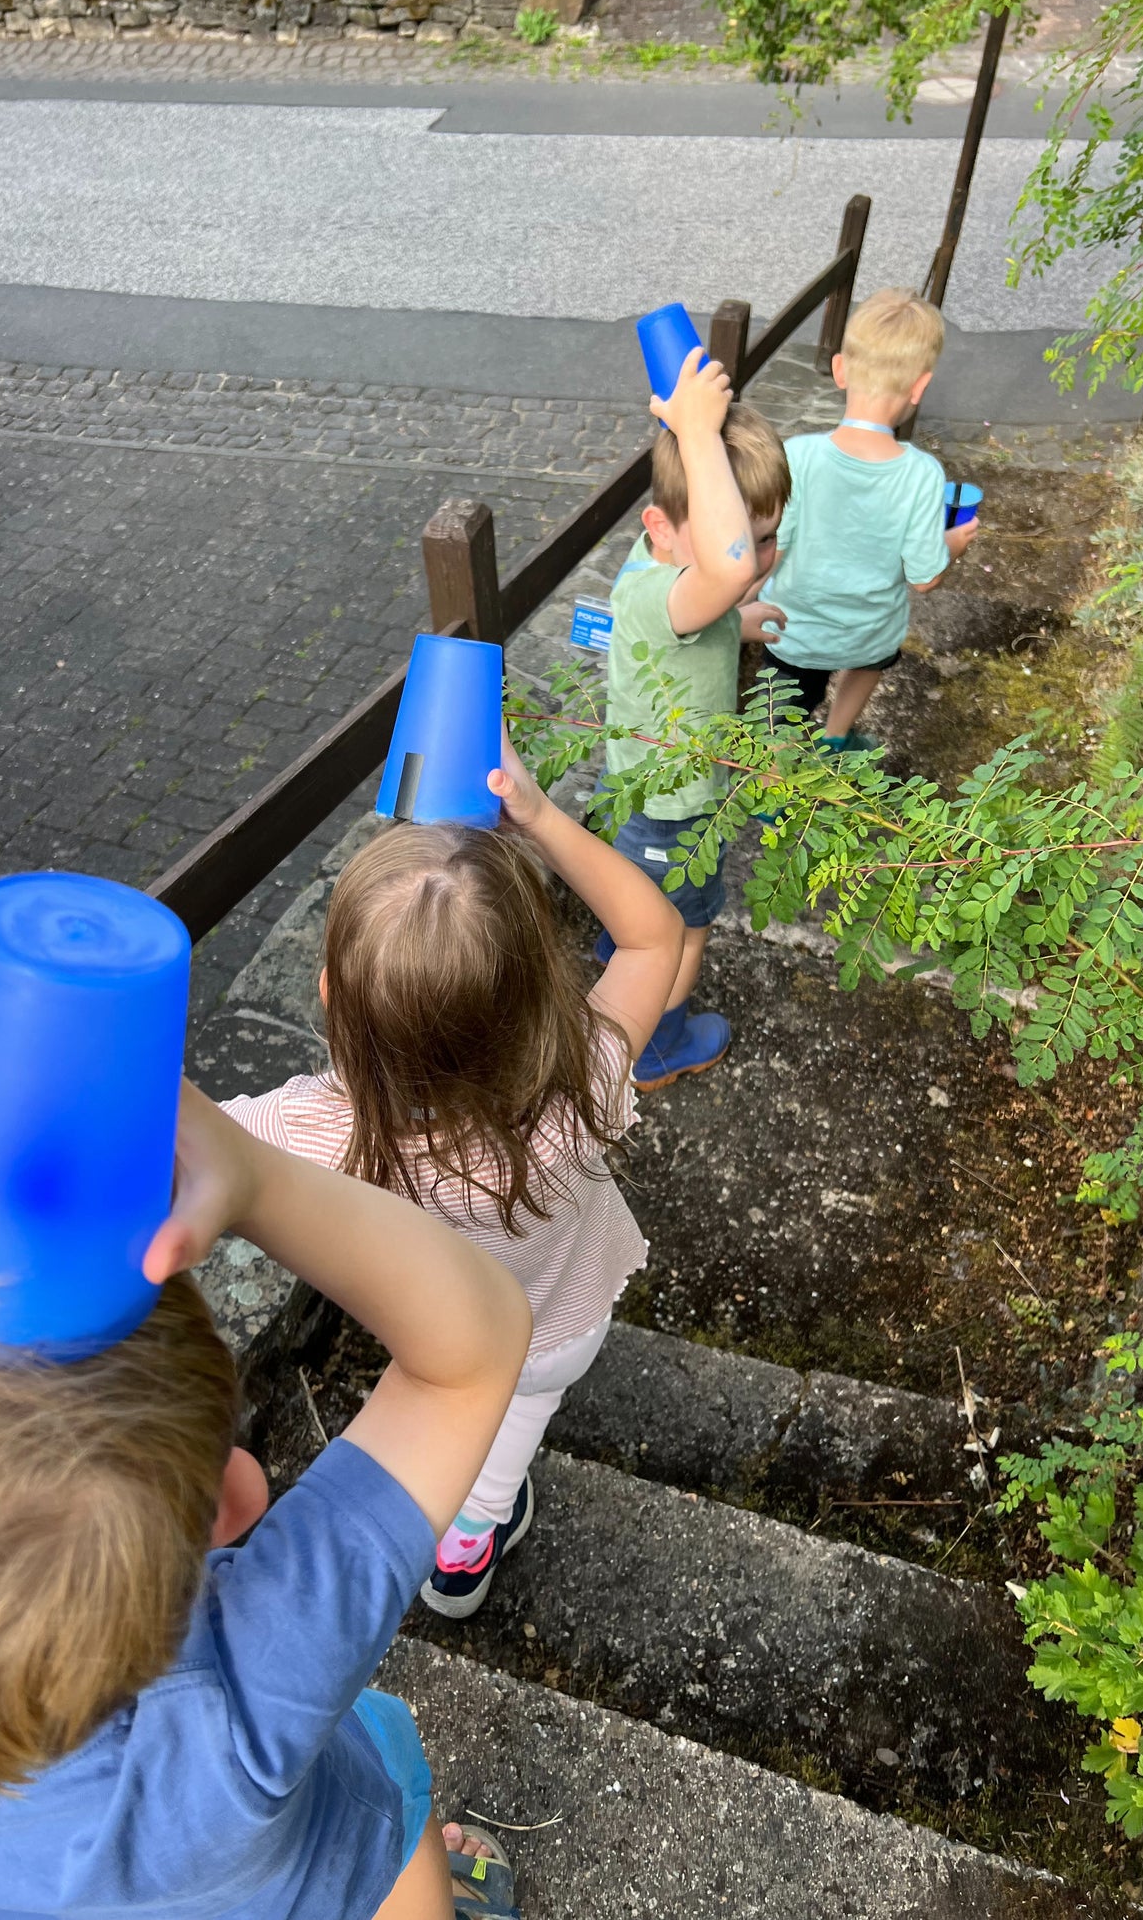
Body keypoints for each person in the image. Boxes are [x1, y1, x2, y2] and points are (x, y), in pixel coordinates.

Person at [0, 1082, 531, 1920]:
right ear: (235, 1496)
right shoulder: (242, 1700)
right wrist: (258, 1180)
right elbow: (474, 1347)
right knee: (388, 1819)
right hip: (325, 1885)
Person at [224, 733, 683, 1620]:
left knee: (473, 1411)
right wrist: (541, 817)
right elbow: (651, 935)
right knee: (518, 1417)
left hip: (437, 1340)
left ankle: (455, 1531)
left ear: (331, 1001)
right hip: (561, 1324)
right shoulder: (582, 1074)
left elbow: (176, 1145)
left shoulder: (314, 1130)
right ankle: (470, 1541)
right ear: (545, 987)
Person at [600, 349, 792, 1090]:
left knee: (645, 908)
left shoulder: (668, 572)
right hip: (671, 814)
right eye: (747, 544)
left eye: (771, 537)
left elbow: (714, 586)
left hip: (647, 802)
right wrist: (698, 433)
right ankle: (655, 1045)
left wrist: (736, 622)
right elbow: (726, 568)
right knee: (685, 926)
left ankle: (623, 956)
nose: (758, 560)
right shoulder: (662, 593)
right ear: (662, 528)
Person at [758, 286, 980, 750]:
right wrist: (955, 543)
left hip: (794, 630)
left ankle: (770, 782)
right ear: (920, 386)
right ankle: (836, 737)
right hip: (869, 634)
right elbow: (923, 579)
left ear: (840, 369)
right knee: (872, 663)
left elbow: (773, 549)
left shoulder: (797, 456)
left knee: (781, 711)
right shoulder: (921, 474)